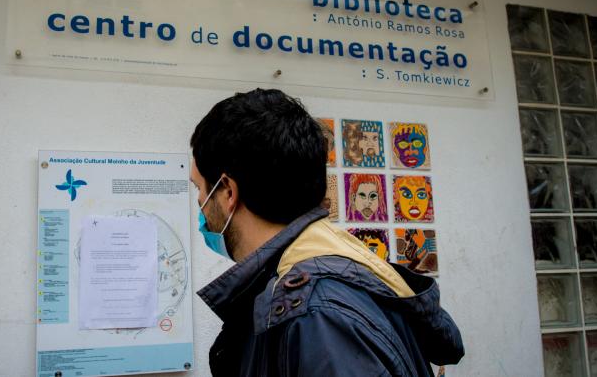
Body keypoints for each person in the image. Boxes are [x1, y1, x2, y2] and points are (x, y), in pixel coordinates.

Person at [190, 88, 464, 376]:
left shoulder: (317, 316)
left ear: (228, 192)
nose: (198, 202)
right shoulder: (313, 283)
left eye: (199, 188)